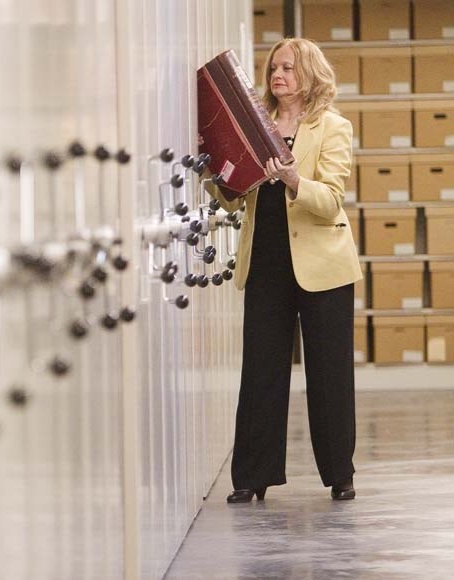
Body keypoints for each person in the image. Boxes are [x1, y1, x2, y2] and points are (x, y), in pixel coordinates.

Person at [204, 37, 361, 502]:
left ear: (310, 74)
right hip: (268, 261)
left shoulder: (333, 127)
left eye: (289, 68)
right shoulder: (257, 125)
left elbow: (331, 198)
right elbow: (233, 196)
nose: (278, 75)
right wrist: (212, 170)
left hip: (323, 266)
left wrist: (295, 179)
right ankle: (252, 478)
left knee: (330, 372)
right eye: (274, 68)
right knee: (261, 370)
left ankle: (340, 474)